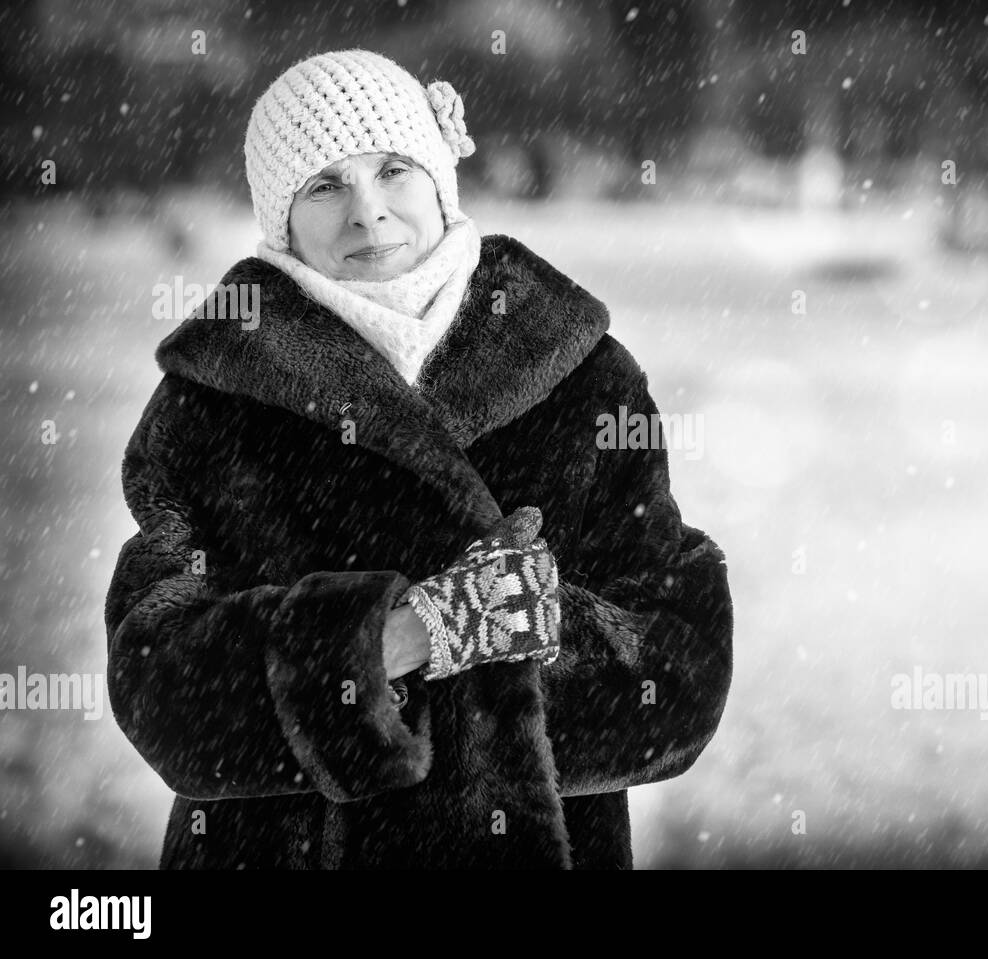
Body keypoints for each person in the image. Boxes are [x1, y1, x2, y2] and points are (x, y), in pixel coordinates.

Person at [104, 49, 733, 869]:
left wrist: (536, 626)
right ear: (279, 221)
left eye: (393, 168)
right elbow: (163, 691)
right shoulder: (207, 403)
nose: (368, 213)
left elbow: (679, 675)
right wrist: (393, 639)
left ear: (439, 176)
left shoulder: (583, 377)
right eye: (324, 185)